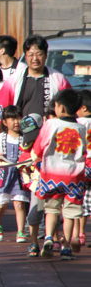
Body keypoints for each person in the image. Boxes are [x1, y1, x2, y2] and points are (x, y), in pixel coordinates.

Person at [32, 89, 88, 260]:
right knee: (70, 212)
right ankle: (66, 246)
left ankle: (49, 237)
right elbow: (85, 151)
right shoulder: (81, 127)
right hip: (74, 176)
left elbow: (39, 147)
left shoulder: (51, 124)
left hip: (52, 175)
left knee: (51, 209)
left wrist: (35, 160)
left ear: (61, 108)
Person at [0, 35, 71, 136]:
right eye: (31, 55)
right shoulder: (14, 80)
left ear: (45, 55)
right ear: (25, 56)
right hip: (19, 136)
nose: (35, 59)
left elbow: (70, 111)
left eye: (39, 54)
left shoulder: (59, 79)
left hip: (50, 136)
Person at [0, 106, 30, 243]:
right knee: (1, 203)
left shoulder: (25, 138)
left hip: (19, 174)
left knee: (19, 203)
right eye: (12, 119)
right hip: (4, 173)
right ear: (4, 122)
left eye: (19, 118)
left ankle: (21, 231)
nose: (16, 122)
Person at [75, 89, 91, 250]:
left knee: (80, 200)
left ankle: (80, 233)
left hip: (83, 165)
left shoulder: (78, 124)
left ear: (84, 108)